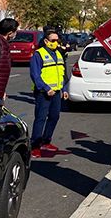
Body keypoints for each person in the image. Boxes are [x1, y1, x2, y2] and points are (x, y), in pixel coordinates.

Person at [29, 30, 69, 158]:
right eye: (53, 41)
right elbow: (35, 75)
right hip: (43, 92)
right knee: (40, 118)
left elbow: (61, 73)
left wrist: (64, 89)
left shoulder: (58, 54)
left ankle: (46, 141)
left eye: (57, 41)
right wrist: (46, 88)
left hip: (56, 92)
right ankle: (34, 146)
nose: (56, 43)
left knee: (54, 116)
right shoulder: (38, 54)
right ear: (46, 41)